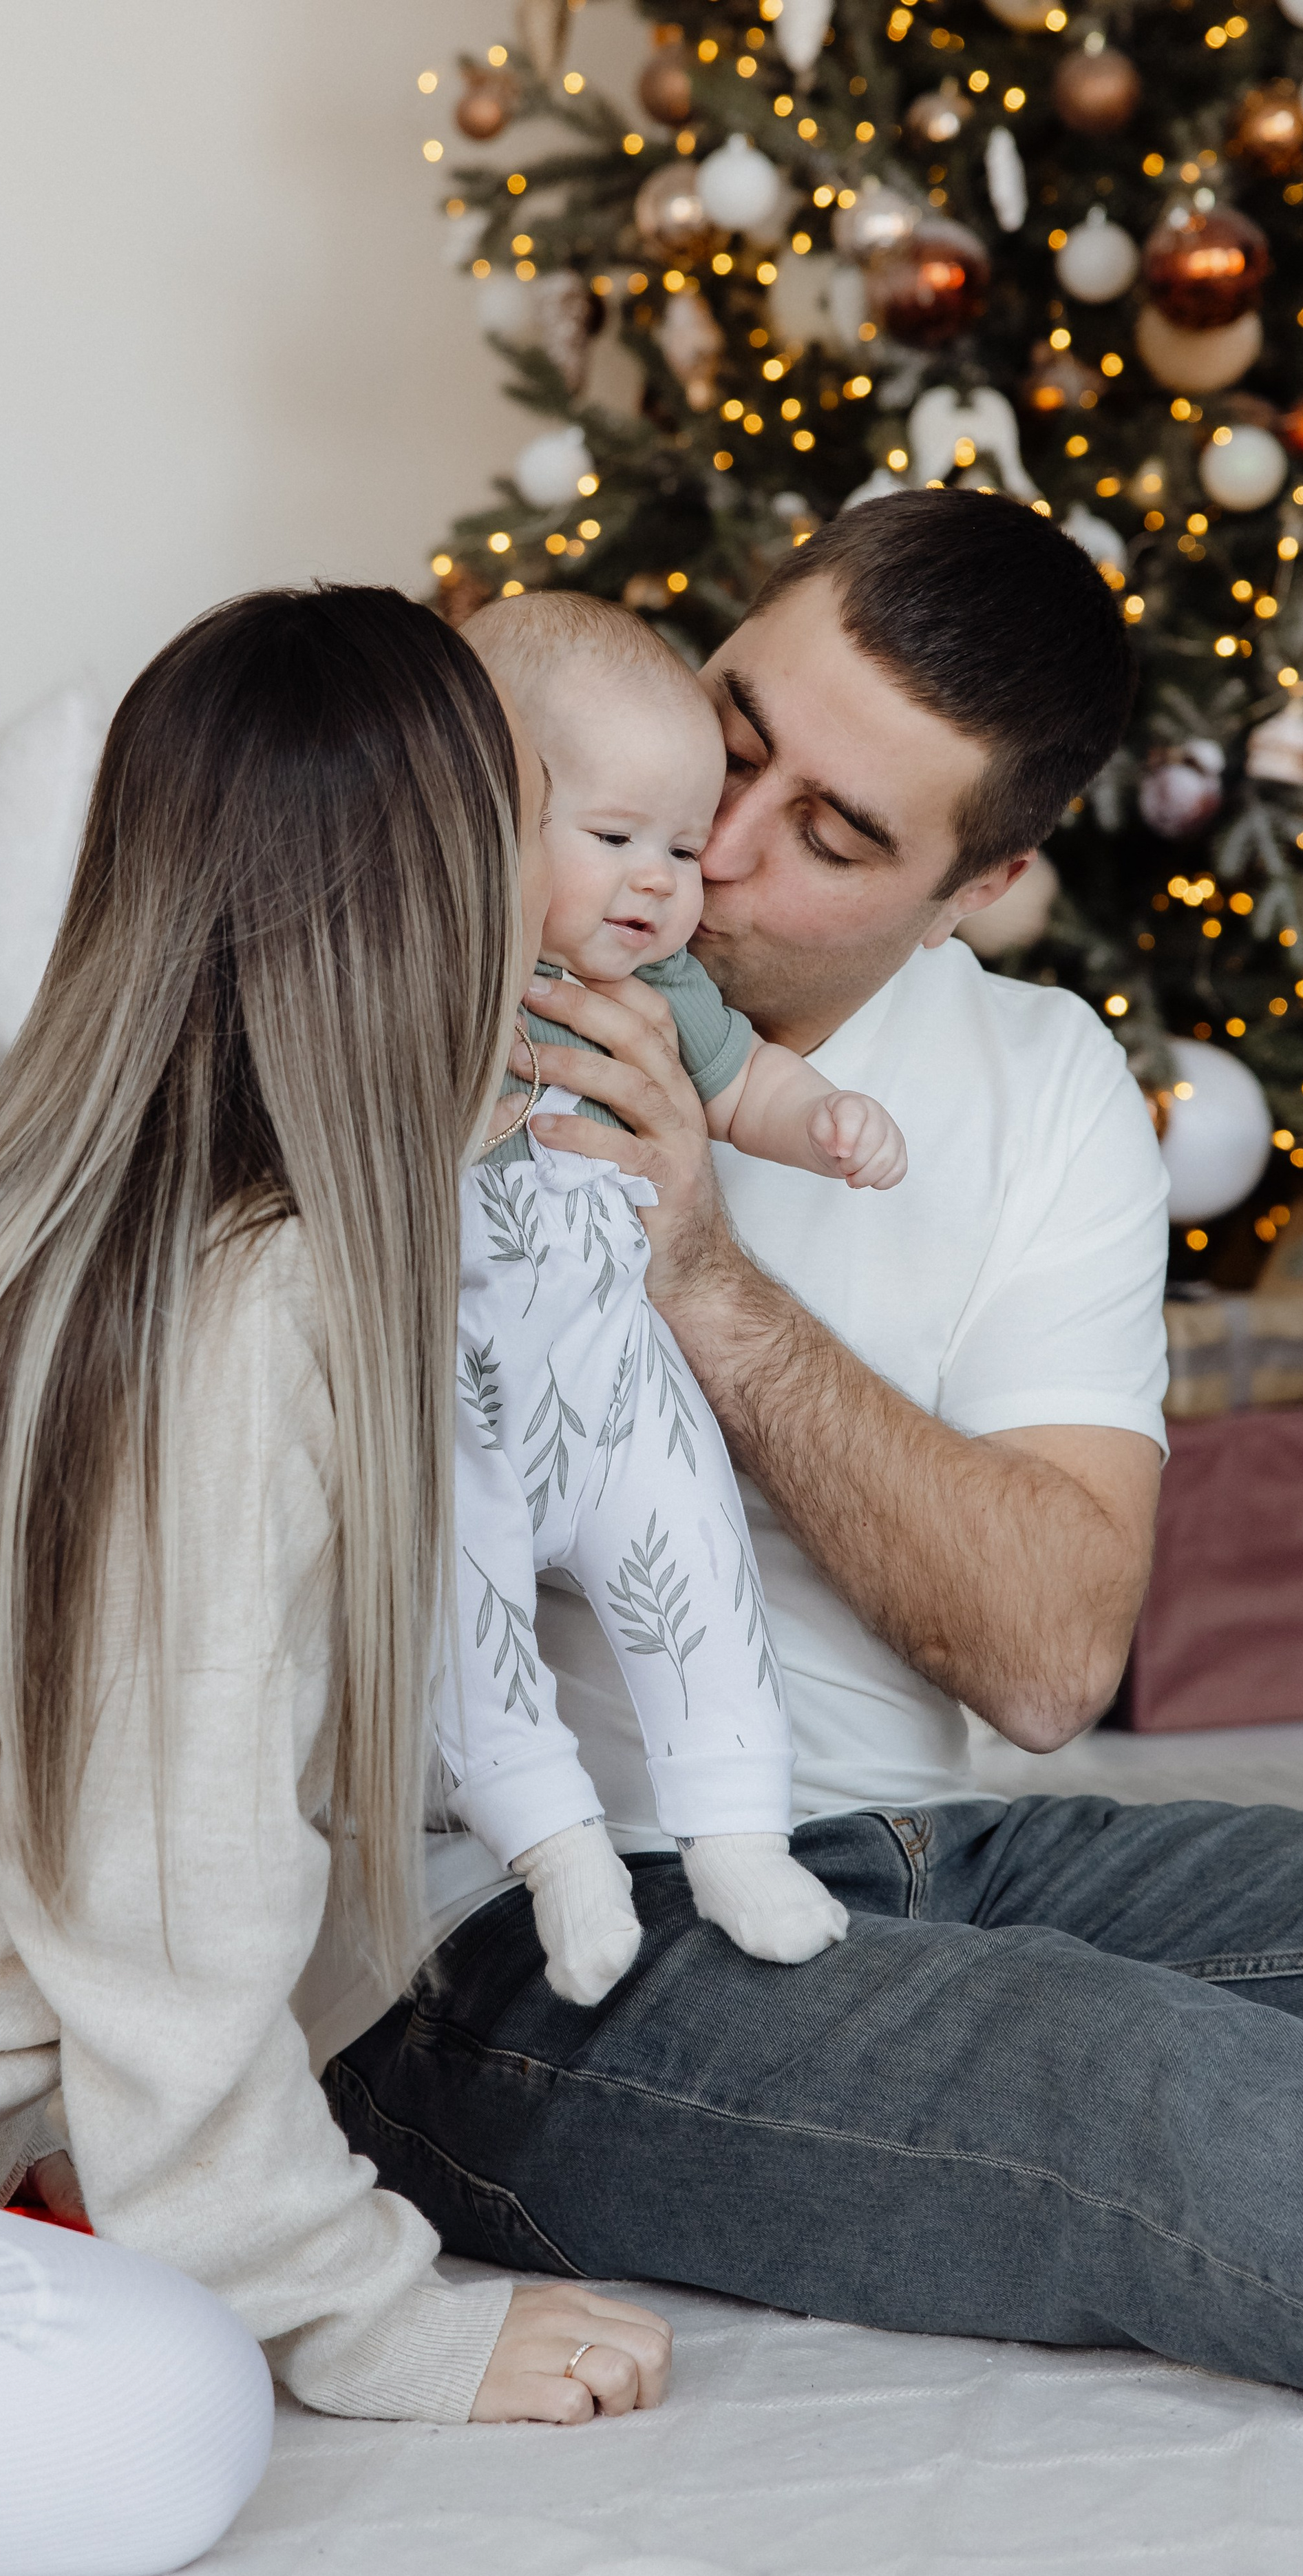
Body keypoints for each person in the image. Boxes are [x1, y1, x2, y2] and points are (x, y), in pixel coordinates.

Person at [332, 490, 1303, 2446]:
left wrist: (707, 1276)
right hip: (522, 1938)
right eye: (736, 733)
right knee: (1155, 2086)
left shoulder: (1047, 1087)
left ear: (981, 885)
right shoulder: (422, 966)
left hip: (938, 1863)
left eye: (838, 834)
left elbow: (1051, 1659)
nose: (709, 848)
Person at [0, 585, 670, 2576]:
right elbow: (161, 1891)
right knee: (167, 2404)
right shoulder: (238, 1306)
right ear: (434, 896)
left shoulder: (48, 1224)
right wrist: (372, 2313)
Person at [441, 589, 907, 2007]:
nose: (657, 885)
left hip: (613, 1381)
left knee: (701, 1571)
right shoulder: (439, 974)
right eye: (610, 839)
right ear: (480, 820)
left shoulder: (662, 993)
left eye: (678, 850)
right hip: (451, 1394)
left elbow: (744, 1084)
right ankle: (555, 1844)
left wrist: (826, 1117)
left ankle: (737, 1838)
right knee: (447, 1619)